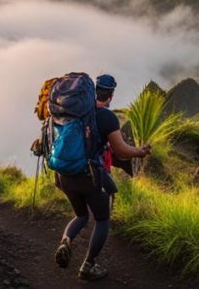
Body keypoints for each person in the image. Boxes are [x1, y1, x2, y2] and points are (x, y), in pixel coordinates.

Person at [54, 74, 151, 281]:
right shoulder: (106, 117)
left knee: (81, 216)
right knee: (102, 219)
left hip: (64, 174)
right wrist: (140, 152)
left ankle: (65, 241)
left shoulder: (72, 112)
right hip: (88, 175)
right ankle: (88, 266)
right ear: (111, 94)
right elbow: (122, 151)